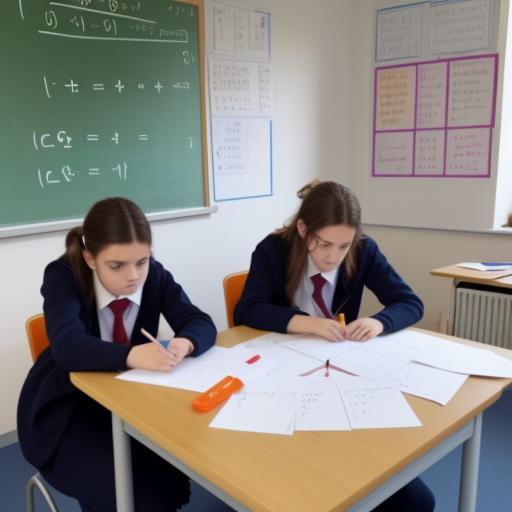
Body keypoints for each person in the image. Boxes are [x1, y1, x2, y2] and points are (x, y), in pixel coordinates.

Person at [234, 180, 434, 511]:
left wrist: (379, 322)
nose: (333, 256)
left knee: (416, 503)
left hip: (339, 379)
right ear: (303, 228)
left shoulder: (364, 250)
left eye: (343, 246)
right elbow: (247, 310)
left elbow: (410, 303)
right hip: (280, 380)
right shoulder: (273, 250)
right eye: (324, 244)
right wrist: (310, 323)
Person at [17, 197, 216, 512]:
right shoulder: (64, 275)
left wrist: (186, 342)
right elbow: (67, 348)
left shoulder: (154, 274)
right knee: (136, 497)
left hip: (127, 402)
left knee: (171, 486)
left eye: (142, 261)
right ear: (90, 258)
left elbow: (200, 321)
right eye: (116, 265)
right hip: (67, 408)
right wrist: (132, 355)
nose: (133, 275)